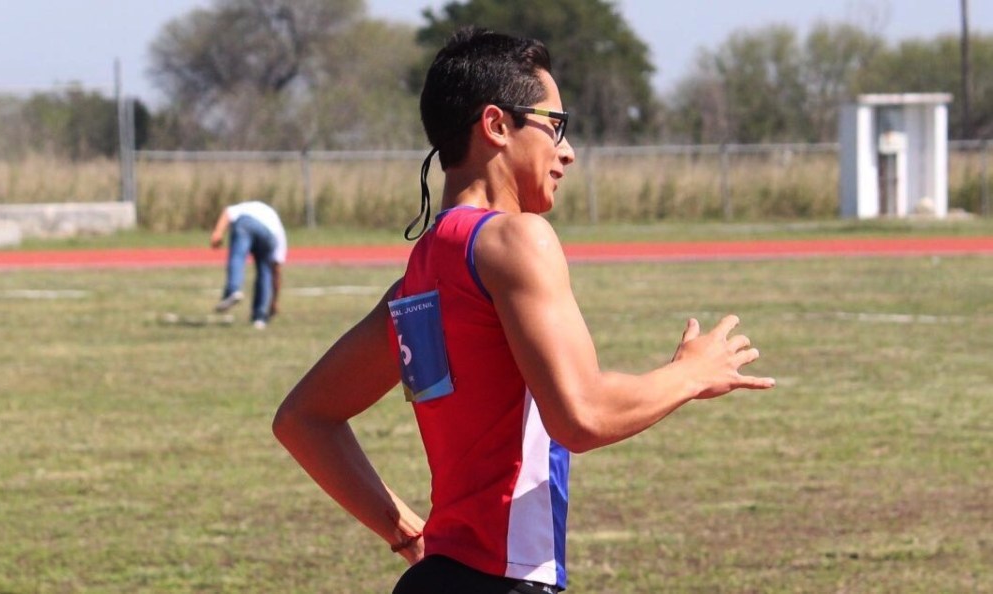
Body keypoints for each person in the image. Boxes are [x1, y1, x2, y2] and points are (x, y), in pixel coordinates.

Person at [272, 27, 775, 593]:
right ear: (495, 125)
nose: (567, 150)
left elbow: (304, 420)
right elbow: (582, 415)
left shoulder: (419, 274)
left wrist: (411, 538)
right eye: (554, 125)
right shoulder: (517, 241)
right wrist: (690, 374)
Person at [209, 200, 287, 329]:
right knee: (265, 270)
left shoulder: (245, 208)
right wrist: (274, 302)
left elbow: (228, 212)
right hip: (269, 234)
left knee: (238, 256)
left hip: (246, 223)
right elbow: (276, 271)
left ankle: (233, 290)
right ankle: (260, 316)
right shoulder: (279, 230)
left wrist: (218, 232)